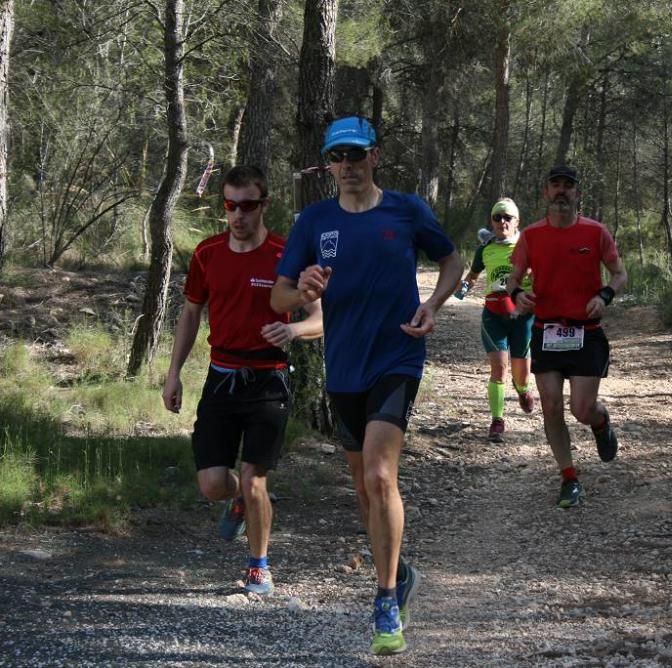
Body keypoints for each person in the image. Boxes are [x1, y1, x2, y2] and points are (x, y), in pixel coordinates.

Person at [270, 116, 463, 656]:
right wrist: (301, 288)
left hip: (398, 355)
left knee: (381, 475)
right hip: (345, 367)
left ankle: (384, 603)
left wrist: (432, 304)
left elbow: (450, 259)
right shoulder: (315, 221)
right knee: (362, 488)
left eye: (357, 155)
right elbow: (280, 300)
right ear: (328, 164)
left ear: (375, 156)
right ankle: (398, 571)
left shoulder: (406, 211)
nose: (348, 166)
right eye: (338, 157)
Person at [162, 165, 323, 596]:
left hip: (269, 378)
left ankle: (259, 565)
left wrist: (292, 331)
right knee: (214, 483)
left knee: (256, 480)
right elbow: (191, 312)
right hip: (221, 376)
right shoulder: (206, 253)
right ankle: (239, 501)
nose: (238, 214)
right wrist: (173, 373)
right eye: (230, 205)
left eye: (247, 205)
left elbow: (321, 317)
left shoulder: (285, 255)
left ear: (263, 205)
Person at [507, 165, 628, 509]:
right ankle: (569, 477)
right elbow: (513, 278)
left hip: (585, 332)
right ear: (545, 193)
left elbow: (620, 274)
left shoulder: (596, 232)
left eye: (568, 186)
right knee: (551, 405)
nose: (561, 191)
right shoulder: (531, 235)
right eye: (555, 185)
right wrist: (518, 295)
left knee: (582, 408)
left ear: (577, 194)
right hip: (547, 330)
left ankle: (601, 422)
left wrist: (604, 295)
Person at [454, 197, 536, 442]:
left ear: (516, 221)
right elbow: (473, 274)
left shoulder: (528, 246)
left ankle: (522, 390)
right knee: (499, 369)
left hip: (523, 317)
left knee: (522, 375)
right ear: (491, 222)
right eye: (497, 217)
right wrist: (464, 287)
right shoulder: (485, 250)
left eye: (507, 217)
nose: (502, 222)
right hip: (494, 315)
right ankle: (497, 421)